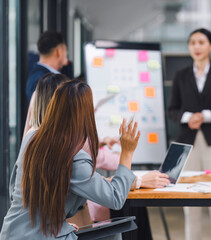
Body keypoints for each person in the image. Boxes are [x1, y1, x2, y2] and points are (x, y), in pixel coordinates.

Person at [1, 80, 140, 239]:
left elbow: (15, 189)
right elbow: (116, 198)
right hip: (46, 236)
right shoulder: (75, 158)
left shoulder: (31, 138)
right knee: (113, 233)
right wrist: (127, 153)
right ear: (85, 116)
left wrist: (60, 225)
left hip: (11, 233)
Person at [167, 28, 211, 240]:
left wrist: (206, 115)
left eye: (201, 42)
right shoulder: (180, 75)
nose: (196, 47)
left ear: (210, 45)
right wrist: (188, 117)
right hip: (186, 143)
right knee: (189, 197)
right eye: (192, 42)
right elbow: (172, 110)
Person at [26, 30, 68, 103]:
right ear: (58, 51)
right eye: (65, 50)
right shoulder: (41, 79)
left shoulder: (40, 75)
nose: (66, 54)